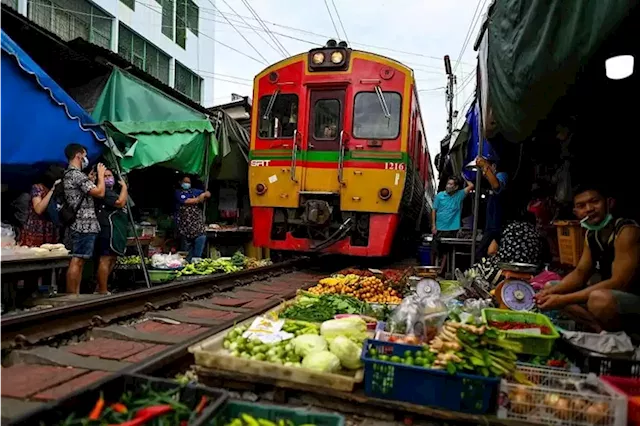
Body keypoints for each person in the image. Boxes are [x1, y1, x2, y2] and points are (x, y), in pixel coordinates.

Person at [534, 185, 640, 332]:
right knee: (550, 287)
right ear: (576, 212)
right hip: (608, 294)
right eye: (581, 206)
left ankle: (625, 335)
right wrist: (552, 292)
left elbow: (619, 282)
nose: (589, 208)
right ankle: (598, 329)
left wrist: (563, 300)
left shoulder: (626, 230)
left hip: (631, 298)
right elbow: (581, 272)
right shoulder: (591, 234)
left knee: (599, 300)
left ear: (609, 203)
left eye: (595, 202)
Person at [63, 143, 105, 295]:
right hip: (83, 223)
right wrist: (100, 175)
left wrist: (90, 179)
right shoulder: (76, 174)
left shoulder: (71, 174)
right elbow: (99, 192)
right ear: (78, 155)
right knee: (78, 260)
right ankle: (72, 296)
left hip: (79, 223)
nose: (86, 159)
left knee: (79, 260)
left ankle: (75, 294)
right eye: (85, 155)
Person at [95, 169, 129, 295]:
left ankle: (100, 286)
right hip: (107, 228)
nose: (108, 178)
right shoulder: (105, 193)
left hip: (117, 229)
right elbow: (120, 203)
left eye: (109, 176)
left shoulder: (113, 191)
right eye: (105, 176)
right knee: (105, 258)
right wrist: (124, 188)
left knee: (113, 258)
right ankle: (102, 290)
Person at [431, 176, 474, 272]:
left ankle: (441, 271)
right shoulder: (439, 196)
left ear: (456, 187)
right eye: (448, 184)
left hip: (452, 229)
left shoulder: (459, 195)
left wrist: (464, 176)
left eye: (451, 184)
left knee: (448, 252)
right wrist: (433, 225)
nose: (448, 186)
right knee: (435, 251)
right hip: (439, 228)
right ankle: (433, 269)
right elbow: (434, 210)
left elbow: (471, 185)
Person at [19, 166, 64, 247]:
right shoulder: (37, 188)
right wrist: (52, 190)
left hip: (50, 228)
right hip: (36, 229)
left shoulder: (60, 190)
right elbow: (38, 209)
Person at [475, 157, 508, 260]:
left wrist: (485, 166)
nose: (484, 172)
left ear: (493, 166)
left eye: (486, 168)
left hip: (496, 225)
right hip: (491, 225)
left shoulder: (501, 175)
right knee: (487, 253)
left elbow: (496, 186)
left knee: (481, 253)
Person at [175, 175, 211, 262]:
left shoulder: (193, 191)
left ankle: (196, 261)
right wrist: (199, 198)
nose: (187, 184)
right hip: (185, 226)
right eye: (185, 182)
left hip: (196, 224)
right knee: (185, 252)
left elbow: (208, 193)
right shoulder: (178, 193)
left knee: (201, 238)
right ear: (180, 183)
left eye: (188, 182)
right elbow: (187, 201)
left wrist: (204, 194)